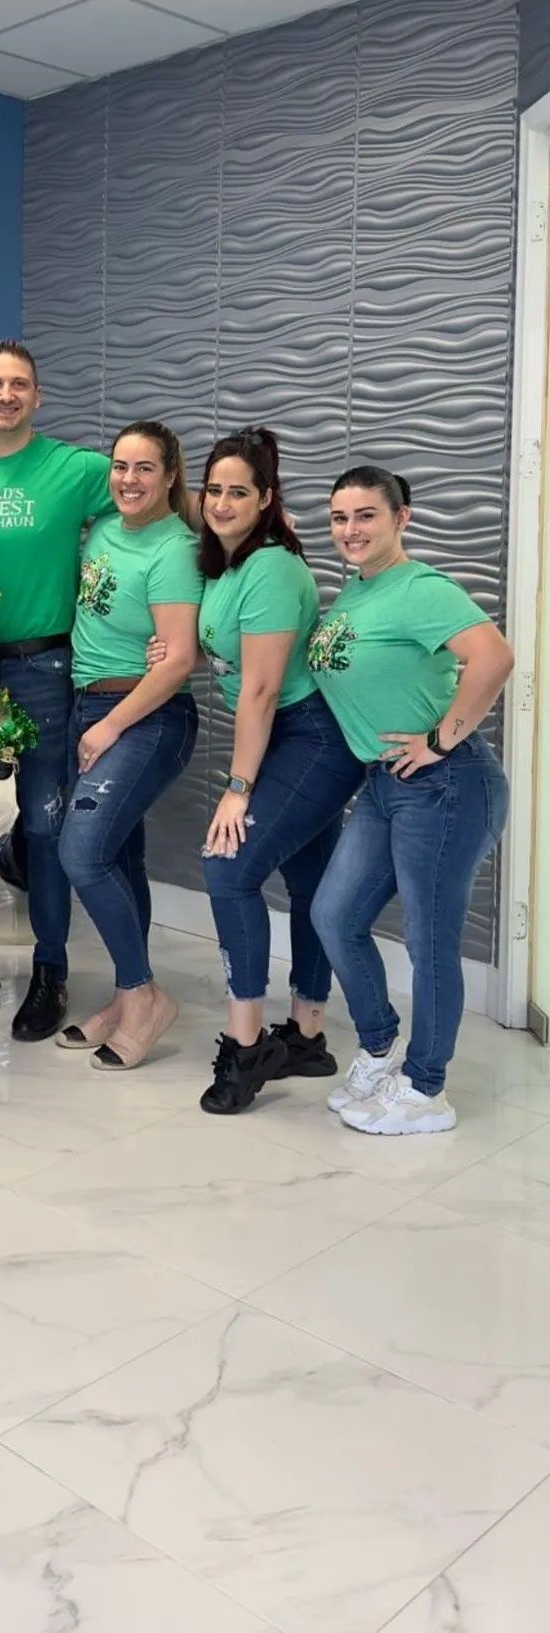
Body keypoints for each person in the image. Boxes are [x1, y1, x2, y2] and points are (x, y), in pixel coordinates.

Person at [309, 467, 512, 1135]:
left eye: (366, 515)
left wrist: (441, 739)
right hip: (384, 783)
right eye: (339, 517)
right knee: (334, 914)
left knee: (429, 941)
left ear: (402, 518)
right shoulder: (353, 595)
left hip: (446, 785)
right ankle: (379, 1049)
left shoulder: (420, 588)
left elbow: (493, 657)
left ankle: (427, 1090)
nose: (350, 530)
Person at [0, 340, 116, 1041]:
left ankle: (50, 969)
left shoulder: (75, 470)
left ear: (38, 397)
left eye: (18, 384)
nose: (5, 394)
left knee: (43, 824)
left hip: (44, 667)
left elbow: (157, 497)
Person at [190, 428, 364, 1115]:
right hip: (285, 733)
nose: (223, 502)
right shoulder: (229, 561)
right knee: (310, 879)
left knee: (227, 866)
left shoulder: (268, 567)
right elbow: (236, 657)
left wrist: (237, 789)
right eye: (215, 490)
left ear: (266, 500)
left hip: (309, 736)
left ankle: (247, 1044)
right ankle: (310, 1036)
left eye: (241, 492)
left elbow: (261, 691)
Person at [57, 421, 201, 1069]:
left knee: (81, 851)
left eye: (145, 468)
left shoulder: (176, 548)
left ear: (171, 475)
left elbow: (178, 660)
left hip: (143, 715)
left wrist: (110, 725)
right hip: (89, 703)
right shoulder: (105, 531)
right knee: (119, 854)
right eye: (120, 466)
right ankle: (125, 994)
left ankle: (145, 995)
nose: (128, 479)